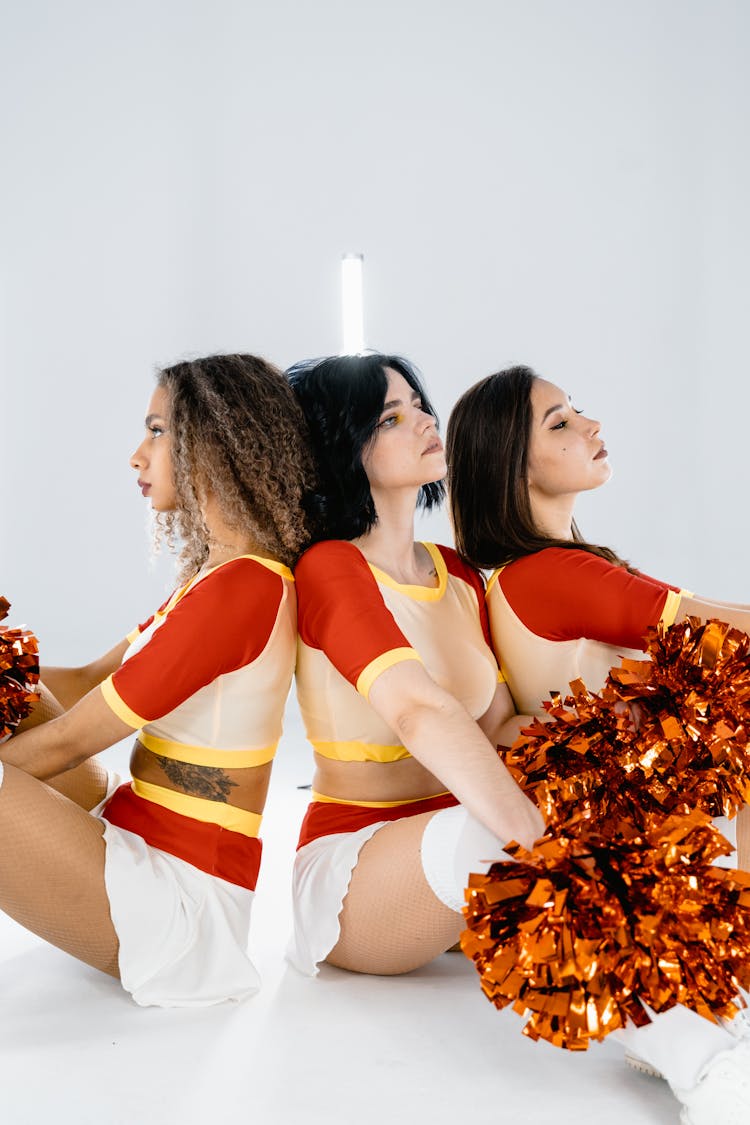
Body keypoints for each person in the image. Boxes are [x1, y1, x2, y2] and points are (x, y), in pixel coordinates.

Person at [446, 363, 750, 1123]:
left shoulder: (535, 571)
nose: (592, 426)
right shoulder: (550, 572)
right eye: (561, 422)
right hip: (624, 817)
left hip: (639, 813)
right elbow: (713, 626)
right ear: (512, 467)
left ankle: (714, 976)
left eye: (579, 411)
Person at [0, 353, 316, 1006]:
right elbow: (87, 678)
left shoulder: (246, 589)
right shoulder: (214, 577)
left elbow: (69, 742)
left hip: (180, 904)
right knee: (7, 674)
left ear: (217, 443)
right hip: (131, 834)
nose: (136, 455)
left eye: (156, 430)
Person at [285, 351, 543, 979]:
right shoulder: (328, 567)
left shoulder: (456, 572)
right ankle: (702, 1056)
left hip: (462, 840)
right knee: (491, 836)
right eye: (391, 418)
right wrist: (539, 841)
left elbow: (498, 731)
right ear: (344, 449)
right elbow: (418, 711)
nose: (426, 420)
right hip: (358, 871)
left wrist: (610, 749)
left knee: (640, 787)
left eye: (419, 404)